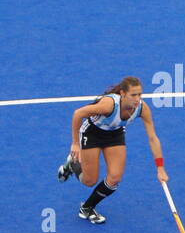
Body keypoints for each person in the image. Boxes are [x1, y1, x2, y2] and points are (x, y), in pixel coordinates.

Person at [56, 76, 170, 224]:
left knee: (115, 178)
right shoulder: (108, 105)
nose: (137, 99)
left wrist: (160, 168)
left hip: (114, 134)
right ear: (122, 94)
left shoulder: (142, 108)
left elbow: (153, 138)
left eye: (140, 94)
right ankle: (73, 165)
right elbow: (78, 113)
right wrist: (75, 144)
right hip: (92, 134)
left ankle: (87, 207)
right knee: (89, 181)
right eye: (133, 95)